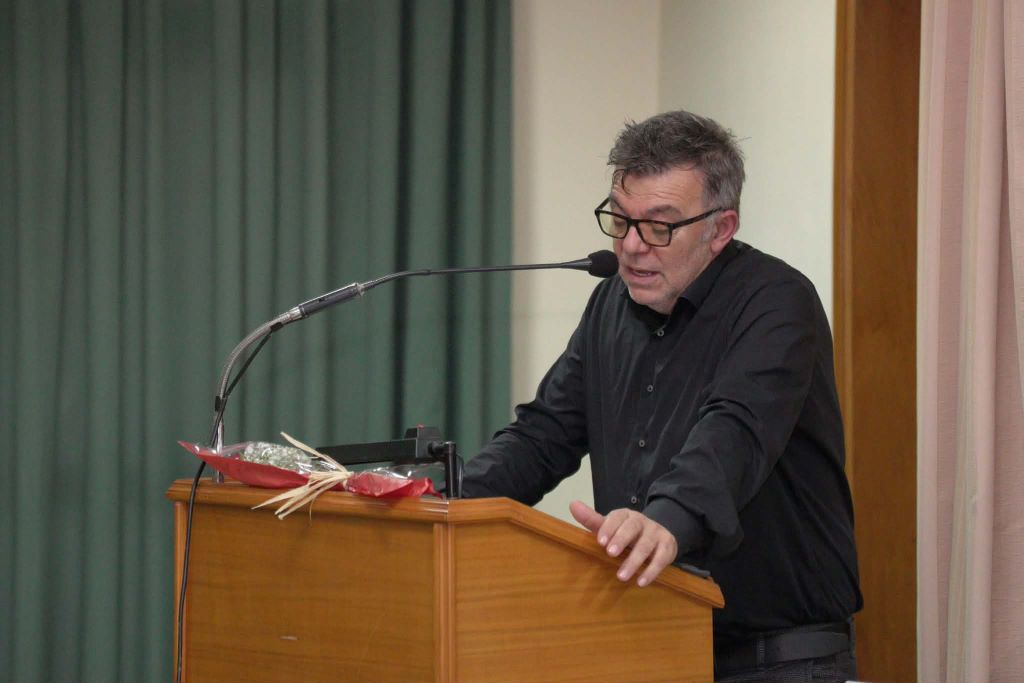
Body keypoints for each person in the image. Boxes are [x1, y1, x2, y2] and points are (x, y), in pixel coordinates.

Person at [462, 110, 862, 682]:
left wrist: (668, 519)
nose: (631, 246)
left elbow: (735, 429)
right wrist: (447, 501)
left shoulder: (776, 302)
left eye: (658, 226)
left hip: (780, 658)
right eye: (620, 219)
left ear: (720, 229)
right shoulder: (610, 305)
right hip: (652, 641)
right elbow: (544, 433)